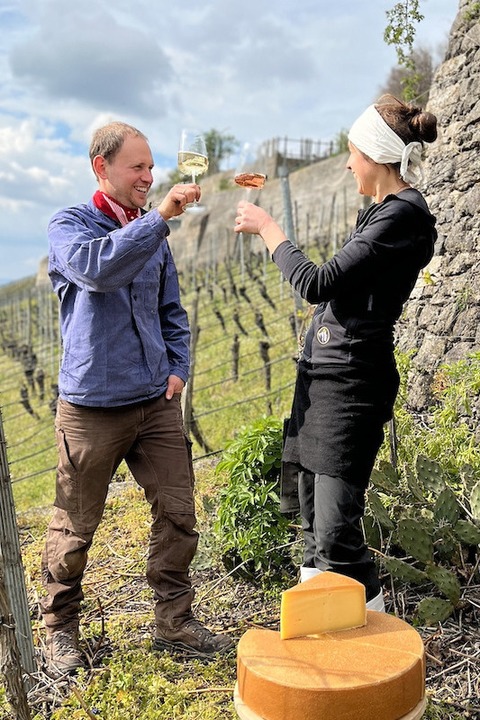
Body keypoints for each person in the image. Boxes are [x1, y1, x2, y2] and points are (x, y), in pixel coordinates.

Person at [41, 121, 233, 676]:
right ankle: (58, 629)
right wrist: (159, 220)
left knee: (178, 514)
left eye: (152, 168)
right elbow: (98, 272)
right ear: (101, 167)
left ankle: (174, 624)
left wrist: (178, 369)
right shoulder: (70, 225)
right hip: (92, 408)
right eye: (138, 168)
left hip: (154, 404)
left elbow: (171, 311)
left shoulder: (151, 234)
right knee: (74, 528)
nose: (149, 178)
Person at [234, 94, 438, 610]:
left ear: (374, 155)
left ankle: (374, 656)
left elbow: (317, 282)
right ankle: (321, 631)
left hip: (352, 384)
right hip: (322, 379)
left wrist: (269, 229)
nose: (347, 163)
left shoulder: (403, 217)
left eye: (352, 152)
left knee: (335, 535)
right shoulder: (379, 214)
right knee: (309, 521)